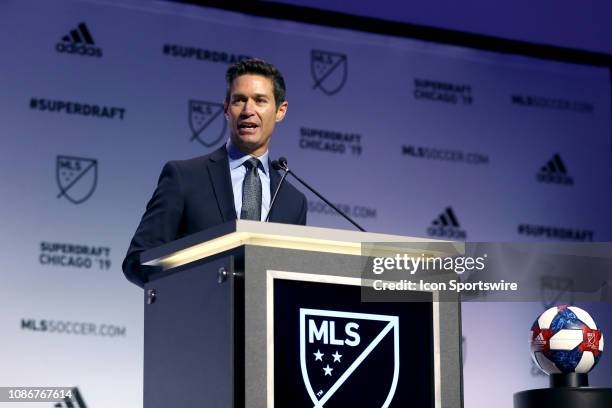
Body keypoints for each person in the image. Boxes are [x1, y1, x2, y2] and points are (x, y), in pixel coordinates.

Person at [122, 58, 307, 287]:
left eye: (260, 101)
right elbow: (138, 260)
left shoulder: (293, 201)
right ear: (226, 109)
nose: (248, 110)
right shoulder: (184, 177)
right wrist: (192, 292)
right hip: (197, 316)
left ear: (280, 111)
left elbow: (295, 279)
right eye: (239, 100)